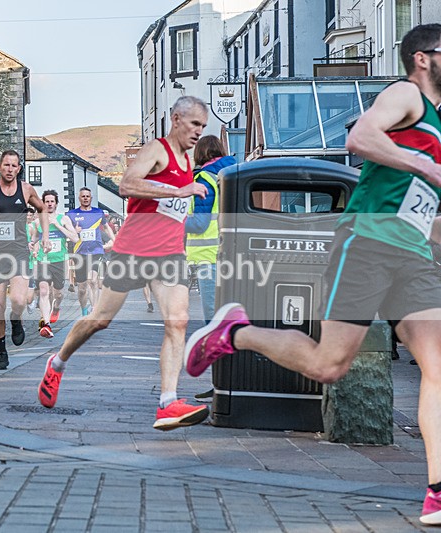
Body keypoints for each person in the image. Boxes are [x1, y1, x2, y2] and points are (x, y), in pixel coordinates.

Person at [185, 24, 441, 526]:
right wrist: (421, 164)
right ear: (423, 58)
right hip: (366, 245)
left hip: (412, 256)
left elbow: (426, 213)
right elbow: (361, 136)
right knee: (328, 366)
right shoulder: (405, 95)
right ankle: (236, 332)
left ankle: (436, 490)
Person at [37, 95, 210, 431]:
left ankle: (168, 402)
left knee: (178, 320)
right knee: (100, 320)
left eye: (203, 127)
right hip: (133, 250)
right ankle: (57, 363)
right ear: (176, 119)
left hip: (170, 254)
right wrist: (177, 192)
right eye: (193, 124)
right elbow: (126, 184)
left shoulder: (188, 160)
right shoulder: (157, 150)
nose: (198, 133)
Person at [0, 150, 50, 370]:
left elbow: (42, 209)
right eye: (6, 165)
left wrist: (44, 236)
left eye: (14, 166)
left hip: (19, 253)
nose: (10, 169)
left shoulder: (26, 190)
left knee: (18, 300)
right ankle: (2, 352)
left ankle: (16, 319)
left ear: (19, 168)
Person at [186, 135, 235, 324]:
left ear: (200, 154)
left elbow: (200, 223)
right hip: (230, 254)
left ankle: (216, 353)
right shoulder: (229, 175)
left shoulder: (204, 179)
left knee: (212, 318)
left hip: (208, 256)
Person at [32, 190, 78, 337]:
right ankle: (46, 325)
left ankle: (56, 307)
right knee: (44, 290)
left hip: (59, 261)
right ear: (43, 204)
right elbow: (33, 240)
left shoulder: (63, 219)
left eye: (52, 201)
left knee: (58, 293)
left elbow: (75, 239)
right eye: (47, 201)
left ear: (56, 203)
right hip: (43, 260)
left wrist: (57, 225)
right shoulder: (38, 221)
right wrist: (31, 245)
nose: (50, 204)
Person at [66, 188, 115, 316]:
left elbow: (106, 227)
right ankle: (84, 310)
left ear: (91, 198)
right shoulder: (71, 214)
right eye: (83, 196)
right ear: (79, 198)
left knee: (93, 280)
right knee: (82, 288)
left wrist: (115, 240)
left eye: (88, 196)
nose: (86, 198)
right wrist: (74, 232)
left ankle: (95, 310)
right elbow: (67, 232)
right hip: (80, 252)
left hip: (96, 251)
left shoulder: (98, 213)